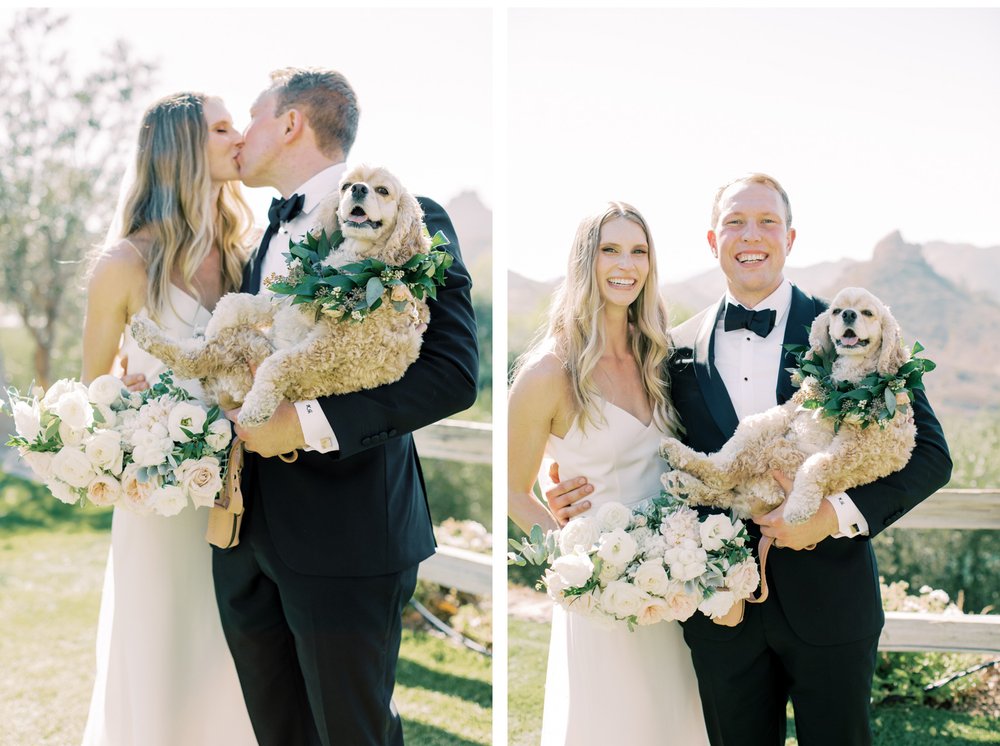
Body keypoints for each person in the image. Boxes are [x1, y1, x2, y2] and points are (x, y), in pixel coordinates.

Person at [544, 174, 953, 745]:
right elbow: (632, 436)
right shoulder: (672, 347)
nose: (750, 235)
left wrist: (832, 516)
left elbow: (931, 457)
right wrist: (560, 487)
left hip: (831, 604)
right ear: (713, 241)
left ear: (791, 237)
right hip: (718, 612)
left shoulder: (850, 330)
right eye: (735, 222)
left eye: (766, 222)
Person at [212, 67, 479, 746]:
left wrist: (302, 424)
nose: (242, 135)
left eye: (253, 117)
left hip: (349, 534)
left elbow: (450, 375)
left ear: (292, 123)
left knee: (352, 735)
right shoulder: (259, 242)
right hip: (246, 538)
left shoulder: (410, 217)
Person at [81, 92, 258, 744]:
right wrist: (123, 403)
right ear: (183, 150)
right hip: (156, 504)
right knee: (161, 651)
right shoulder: (125, 264)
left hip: (243, 499)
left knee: (228, 663)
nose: (238, 135)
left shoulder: (247, 258)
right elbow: (89, 394)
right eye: (220, 127)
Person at [508, 202, 709, 745]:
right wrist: (579, 564)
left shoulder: (660, 358)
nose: (627, 264)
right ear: (585, 261)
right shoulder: (550, 372)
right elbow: (512, 491)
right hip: (603, 599)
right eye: (610, 249)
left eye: (639, 251)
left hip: (676, 588)